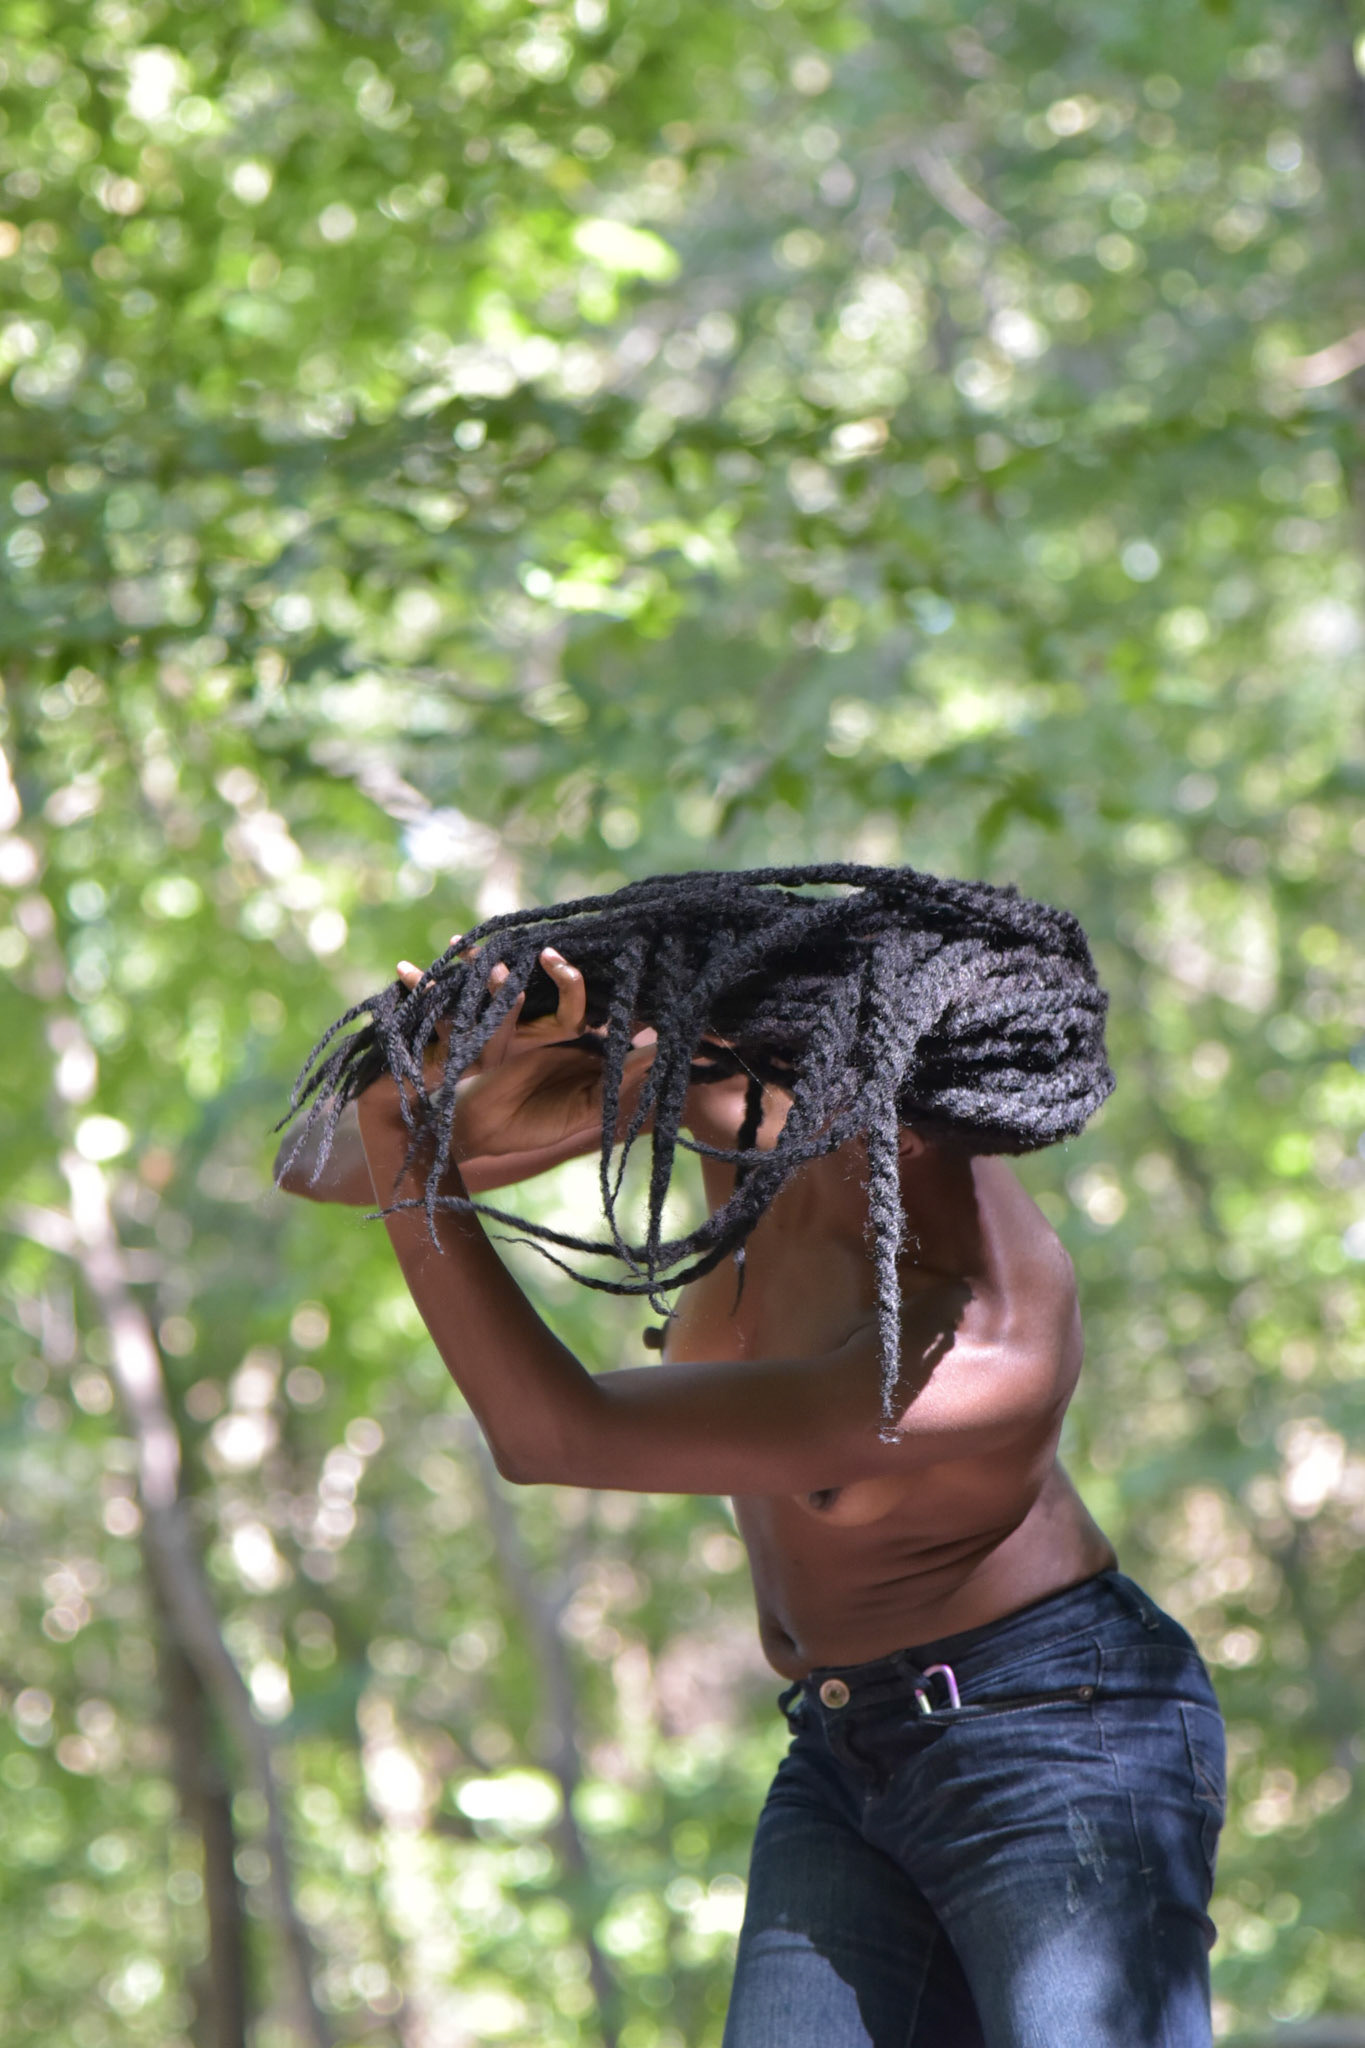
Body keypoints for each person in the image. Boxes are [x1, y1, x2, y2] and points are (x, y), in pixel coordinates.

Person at [276, 864, 1225, 2048]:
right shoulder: (751, 1096)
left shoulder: (987, 1341)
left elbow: (550, 1434)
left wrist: (406, 1138)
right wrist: (459, 1088)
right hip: (839, 1742)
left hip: (1057, 1733)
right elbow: (316, 1164)